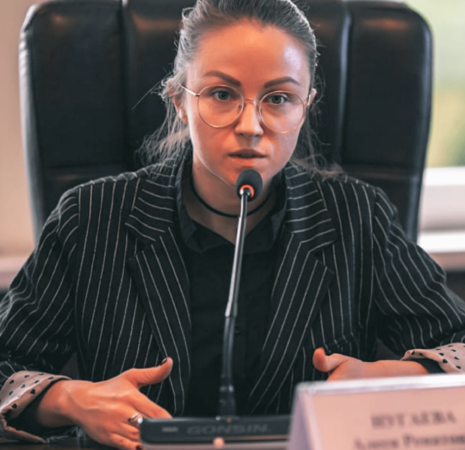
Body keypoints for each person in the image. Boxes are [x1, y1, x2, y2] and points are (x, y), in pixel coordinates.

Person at [1, 0, 465, 449]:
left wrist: (394, 375)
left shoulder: (357, 216)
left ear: (306, 107)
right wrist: (70, 400)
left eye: (279, 98)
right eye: (222, 94)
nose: (250, 125)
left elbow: (457, 347)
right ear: (179, 100)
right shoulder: (91, 218)